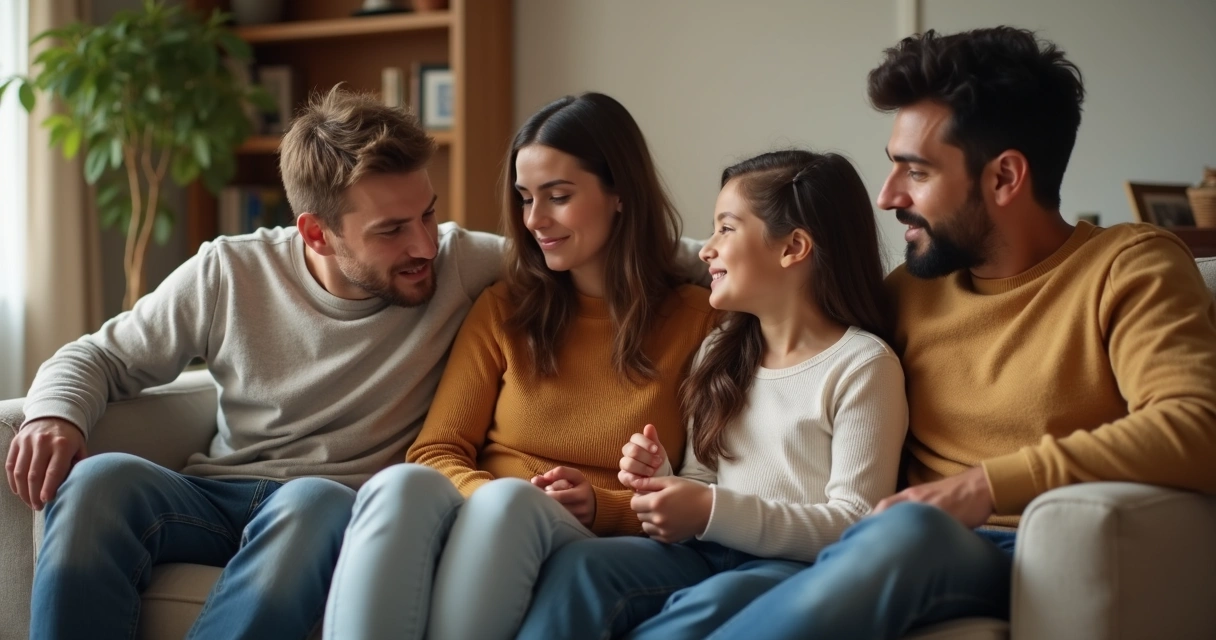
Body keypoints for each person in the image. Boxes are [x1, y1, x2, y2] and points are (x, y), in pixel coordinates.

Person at [703, 27, 1216, 639]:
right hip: (883, 547)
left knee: (909, 533)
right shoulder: (911, 290)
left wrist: (984, 487)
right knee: (720, 592)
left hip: (1024, 549)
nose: (887, 195)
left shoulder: (1127, 266)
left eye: (915, 171)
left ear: (1004, 177)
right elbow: (773, 282)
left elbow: (1197, 424)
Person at [6, 87, 507, 639]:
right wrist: (54, 414)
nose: (425, 245)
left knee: (315, 499)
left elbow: (569, 269)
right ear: (317, 233)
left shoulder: (463, 264)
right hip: (216, 496)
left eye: (428, 213)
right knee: (97, 481)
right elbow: (100, 354)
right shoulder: (230, 270)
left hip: (329, 510)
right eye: (391, 230)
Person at [322, 92, 716, 640]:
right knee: (401, 485)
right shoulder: (505, 307)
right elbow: (436, 451)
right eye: (526, 198)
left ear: (620, 193)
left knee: (510, 502)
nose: (534, 220)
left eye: (559, 196)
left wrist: (600, 506)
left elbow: (708, 489)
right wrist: (488, 497)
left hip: (590, 535)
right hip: (490, 512)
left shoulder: (700, 321)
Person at [515, 149, 909, 640]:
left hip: (796, 569)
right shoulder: (720, 350)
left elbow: (855, 523)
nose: (706, 250)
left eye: (726, 228)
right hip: (704, 553)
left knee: (716, 601)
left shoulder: (862, 365)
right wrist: (661, 481)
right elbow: (702, 478)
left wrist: (709, 510)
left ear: (793, 247)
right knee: (582, 566)